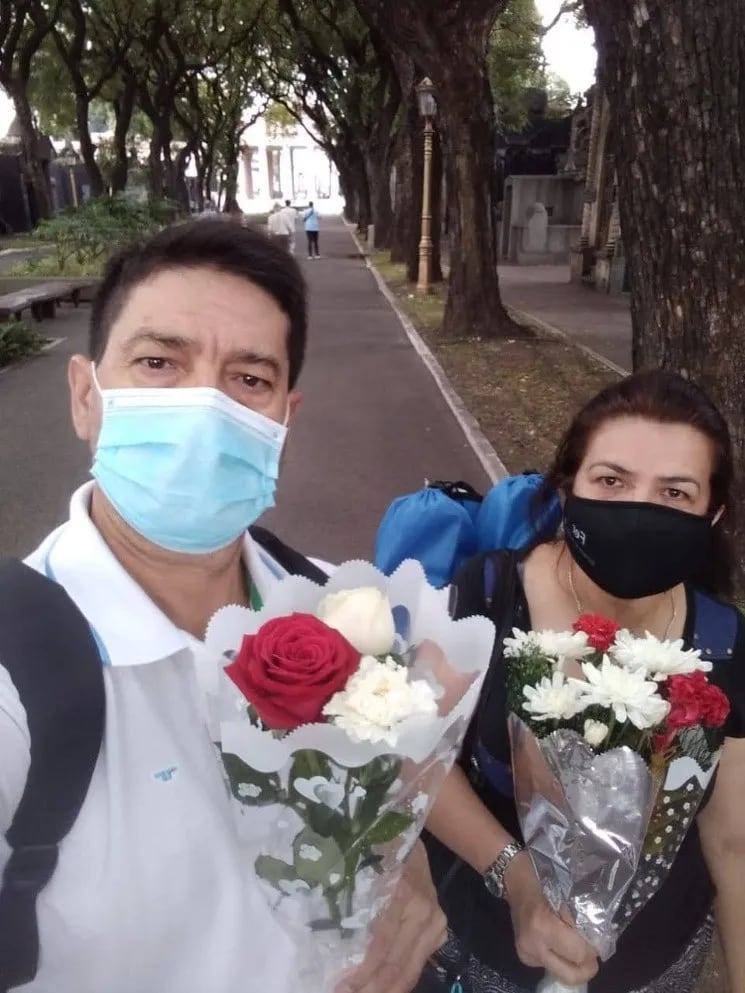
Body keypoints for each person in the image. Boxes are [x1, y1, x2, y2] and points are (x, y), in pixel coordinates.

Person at [0, 219, 446, 993]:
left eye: (248, 379)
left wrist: (404, 873)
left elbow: (390, 800)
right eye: (158, 362)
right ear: (85, 397)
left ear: (282, 420)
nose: (203, 405)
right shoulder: (13, 680)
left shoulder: (344, 606)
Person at [425, 370, 745, 993]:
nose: (638, 511)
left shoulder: (725, 642)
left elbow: (733, 841)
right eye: (612, 481)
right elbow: (423, 766)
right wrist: (515, 879)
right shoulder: (487, 595)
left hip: (655, 969)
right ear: (568, 489)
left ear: (713, 514)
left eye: (675, 493)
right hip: (483, 954)